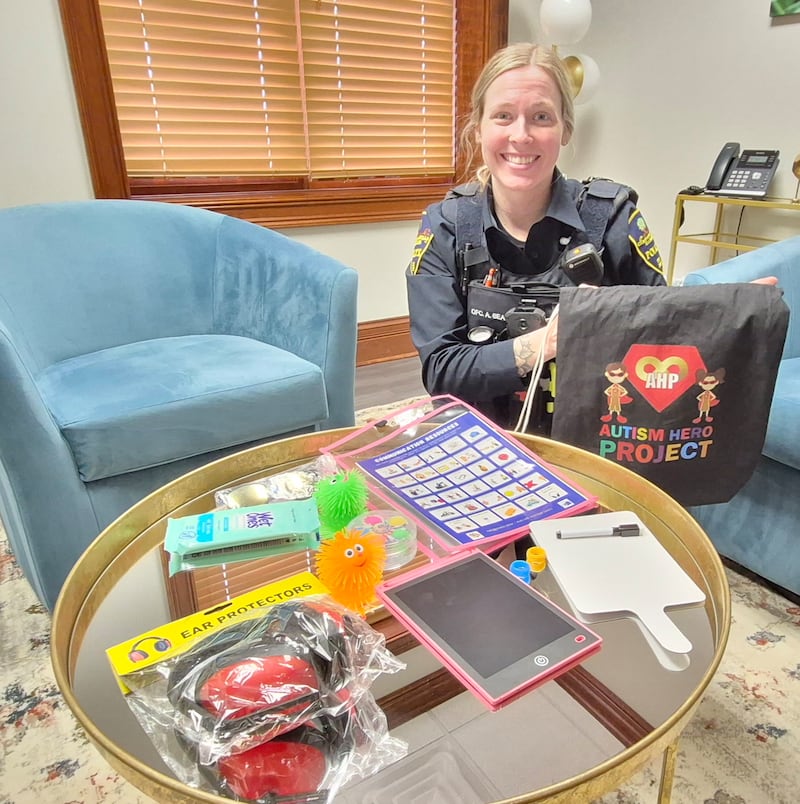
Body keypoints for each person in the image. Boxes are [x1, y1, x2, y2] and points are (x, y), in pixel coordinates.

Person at [406, 43, 669, 430]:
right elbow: (443, 372)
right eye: (503, 116)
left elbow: (663, 338)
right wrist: (549, 341)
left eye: (541, 116)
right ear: (477, 128)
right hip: (480, 435)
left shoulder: (612, 218)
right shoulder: (445, 225)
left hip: (591, 435)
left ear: (565, 129)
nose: (521, 135)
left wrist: (729, 314)